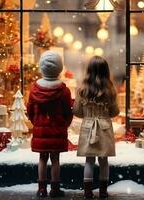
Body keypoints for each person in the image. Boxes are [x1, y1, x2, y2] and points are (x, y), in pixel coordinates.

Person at [27, 51, 73, 198]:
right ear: (59, 68)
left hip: (40, 131)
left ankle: (41, 189)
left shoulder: (35, 89)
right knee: (55, 159)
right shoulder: (63, 90)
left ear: (41, 67)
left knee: (42, 158)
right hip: (57, 130)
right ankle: (55, 188)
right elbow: (68, 111)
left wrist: (36, 123)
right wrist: (64, 124)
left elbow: (30, 110)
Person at [73, 56, 119, 199]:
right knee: (104, 161)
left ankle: (87, 192)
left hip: (88, 127)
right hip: (104, 128)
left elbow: (78, 112)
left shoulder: (82, 91)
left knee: (89, 160)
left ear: (88, 71)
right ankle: (103, 192)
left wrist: (88, 113)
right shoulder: (110, 91)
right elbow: (114, 112)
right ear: (106, 72)